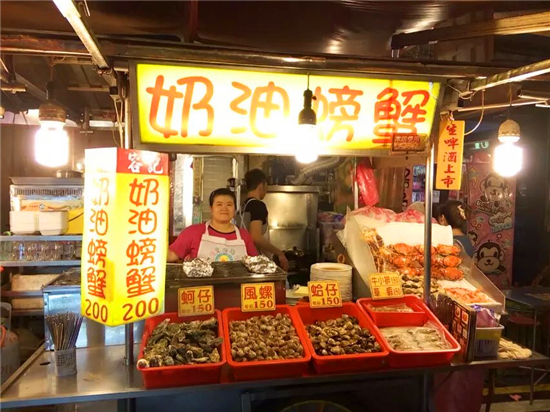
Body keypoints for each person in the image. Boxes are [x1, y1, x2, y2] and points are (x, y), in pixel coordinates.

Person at [168, 188, 257, 262]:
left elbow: (255, 263)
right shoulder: (192, 232)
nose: (224, 208)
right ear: (211, 209)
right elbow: (171, 256)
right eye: (219, 204)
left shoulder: (244, 235)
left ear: (234, 209)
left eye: (229, 205)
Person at [238, 169, 289, 271]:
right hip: (257, 262)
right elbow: (255, 236)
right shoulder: (258, 205)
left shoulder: (242, 207)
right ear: (261, 185)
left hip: (243, 259)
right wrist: (279, 252)